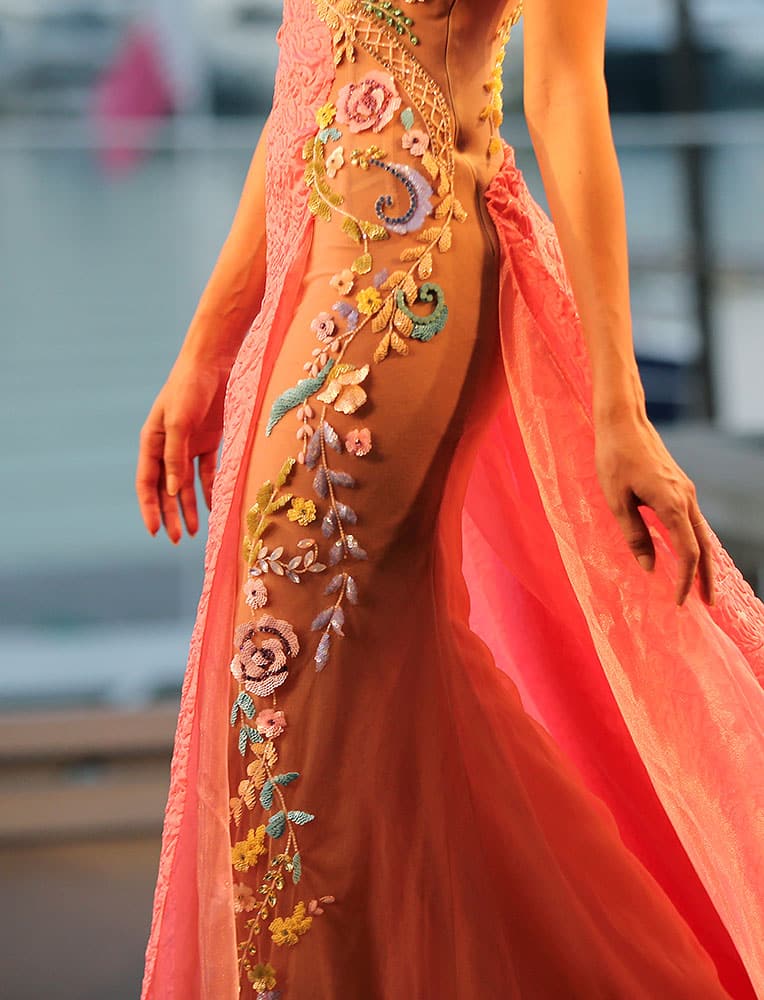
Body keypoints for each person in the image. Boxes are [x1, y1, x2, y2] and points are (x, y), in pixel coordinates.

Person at [135, 1, 764, 997]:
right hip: (312, 282)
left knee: (284, 710)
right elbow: (307, 78)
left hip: (398, 286)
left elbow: (564, 94)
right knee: (353, 713)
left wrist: (619, 408)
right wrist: (208, 342)